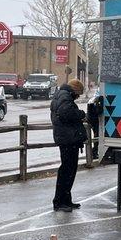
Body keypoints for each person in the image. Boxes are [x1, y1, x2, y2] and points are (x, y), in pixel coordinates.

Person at [50, 79, 87, 212]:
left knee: (68, 170)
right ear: (74, 91)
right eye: (78, 94)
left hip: (66, 138)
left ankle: (65, 200)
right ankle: (60, 202)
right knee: (67, 170)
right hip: (68, 139)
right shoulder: (65, 96)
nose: (77, 97)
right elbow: (66, 113)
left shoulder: (61, 95)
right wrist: (81, 114)